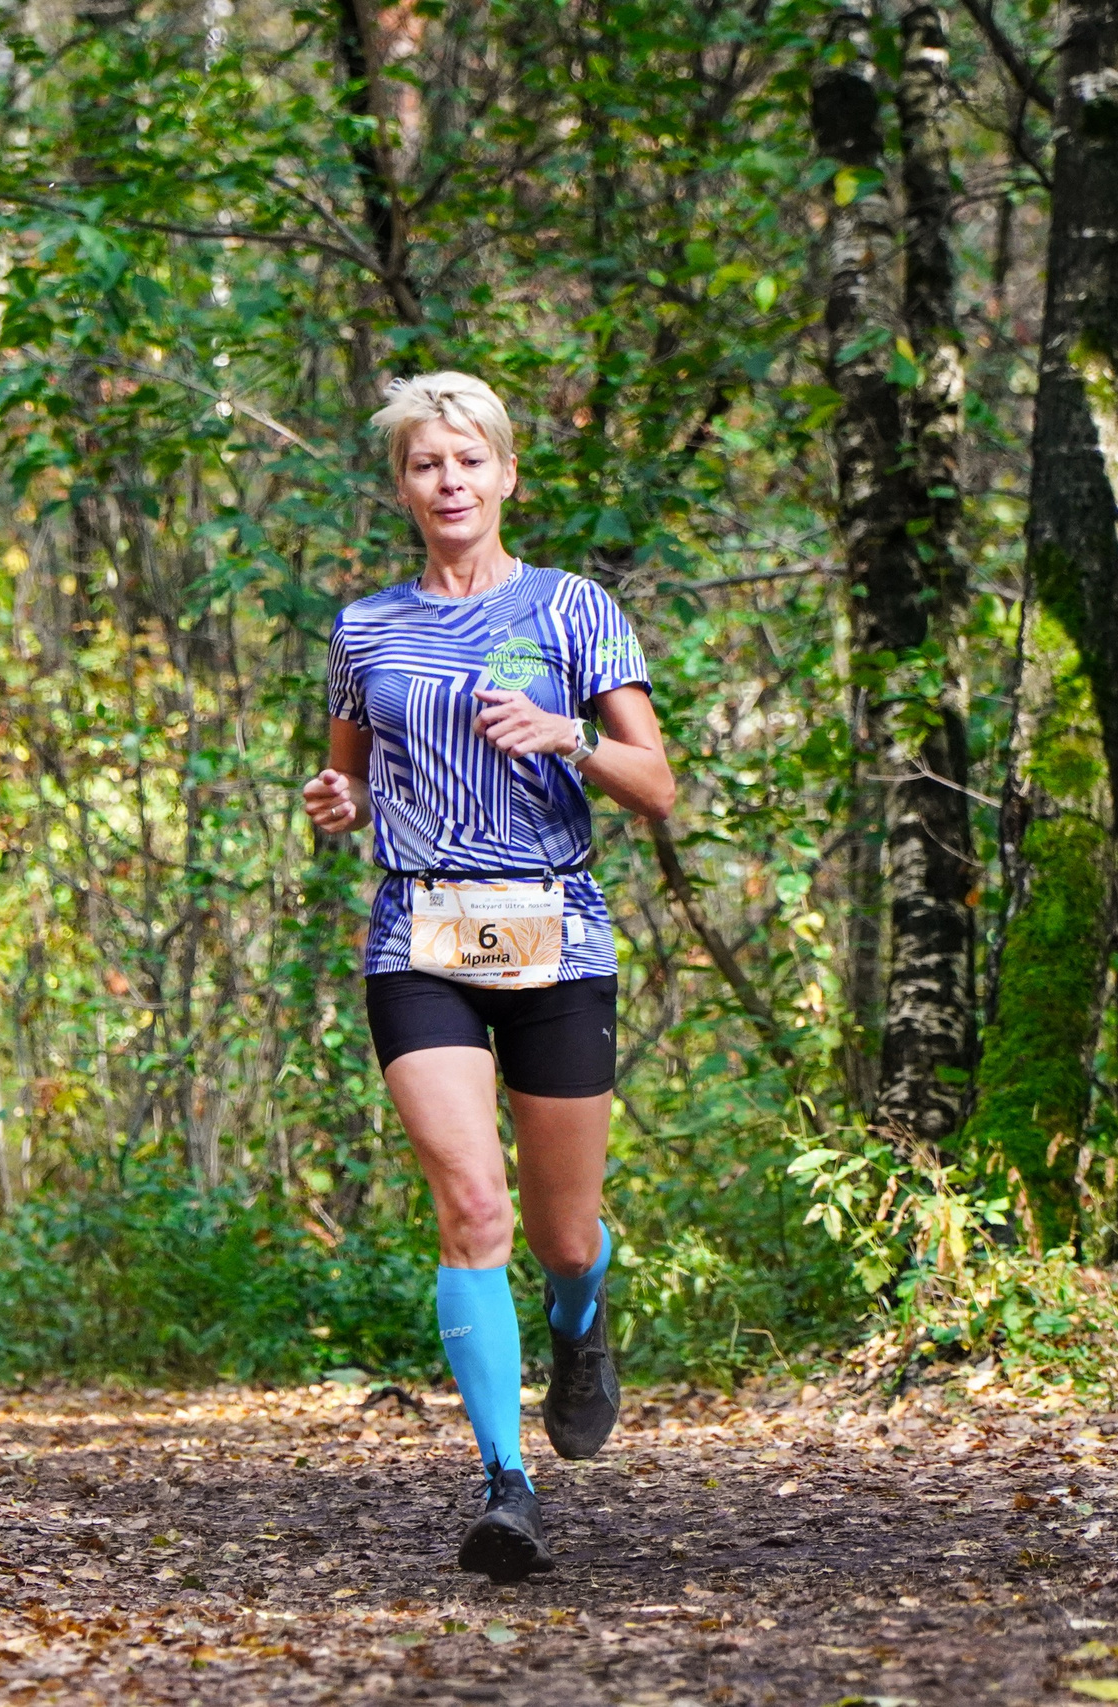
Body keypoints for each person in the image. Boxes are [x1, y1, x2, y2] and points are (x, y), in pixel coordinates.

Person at [302, 373, 675, 1582]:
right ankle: (505, 1485)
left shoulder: (572, 608)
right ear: (402, 487)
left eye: (468, 460)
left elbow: (656, 785)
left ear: (507, 474)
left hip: (553, 929)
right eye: (426, 464)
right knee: (472, 1208)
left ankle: (580, 1318)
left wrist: (569, 735)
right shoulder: (366, 627)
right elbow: (352, 781)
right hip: (420, 936)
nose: (448, 482)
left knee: (563, 1235)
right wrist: (338, 802)